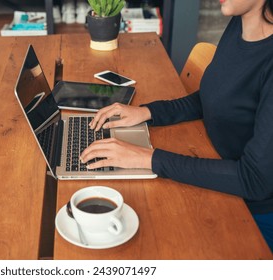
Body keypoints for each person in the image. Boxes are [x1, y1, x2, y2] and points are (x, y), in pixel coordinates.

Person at [80, 0, 273, 251]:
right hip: (216, 170)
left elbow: (254, 180)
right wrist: (147, 112)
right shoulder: (240, 23)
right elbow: (212, 98)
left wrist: (148, 159)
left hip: (250, 215)